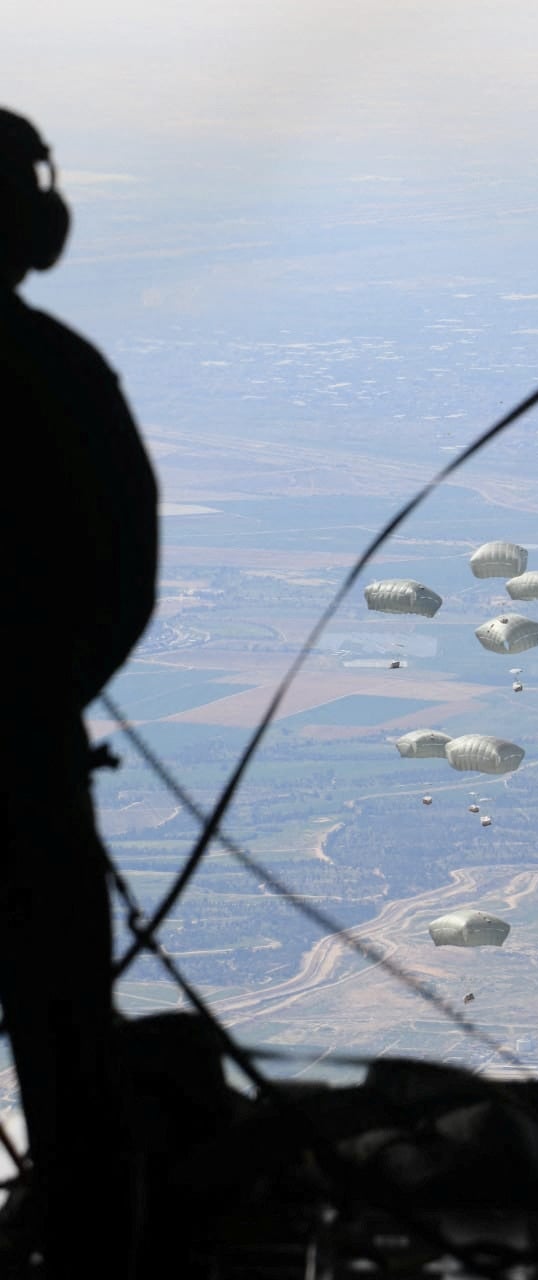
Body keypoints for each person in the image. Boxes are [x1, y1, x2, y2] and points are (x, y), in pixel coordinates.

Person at [0, 108, 158, 1277]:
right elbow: (123, 581)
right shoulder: (60, 371)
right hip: (26, 782)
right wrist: (40, 702)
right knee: (68, 1058)